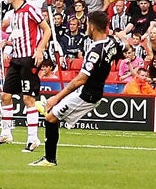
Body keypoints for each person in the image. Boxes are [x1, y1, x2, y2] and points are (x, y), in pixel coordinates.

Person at [33, 9, 127, 168]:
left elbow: (80, 80)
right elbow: (123, 46)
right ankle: (49, 158)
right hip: (92, 91)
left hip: (87, 95)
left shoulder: (95, 51)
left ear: (92, 27)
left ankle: (49, 160)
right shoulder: (111, 42)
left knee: (50, 118)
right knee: (52, 118)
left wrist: (56, 98)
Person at [0, 0, 48, 153]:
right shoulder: (13, 14)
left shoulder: (30, 10)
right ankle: (6, 133)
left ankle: (33, 139)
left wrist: (39, 50)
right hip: (16, 58)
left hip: (29, 58)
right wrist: (7, 42)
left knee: (28, 99)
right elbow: (20, 36)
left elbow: (47, 30)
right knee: (5, 95)